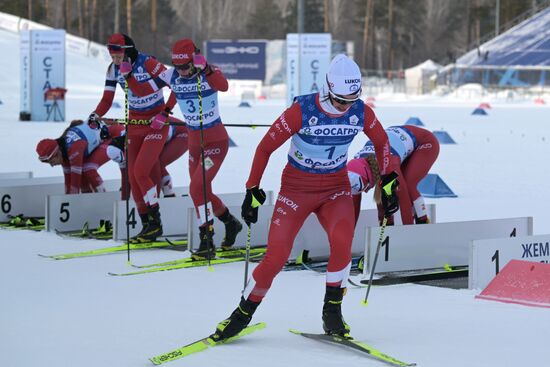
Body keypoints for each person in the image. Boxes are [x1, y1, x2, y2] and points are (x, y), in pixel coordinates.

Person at [209, 54, 399, 342]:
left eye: (350, 101)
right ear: (327, 89)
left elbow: (382, 142)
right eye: (339, 101)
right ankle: (242, 313)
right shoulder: (302, 109)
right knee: (277, 256)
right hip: (297, 189)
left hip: (335, 187)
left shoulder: (361, 112)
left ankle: (332, 312)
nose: (345, 107)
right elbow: (264, 148)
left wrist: (388, 179)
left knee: (342, 241)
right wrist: (252, 189)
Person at [123, 39, 243, 259]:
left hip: (215, 144)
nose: (183, 72)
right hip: (195, 145)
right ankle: (230, 223)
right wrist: (130, 78)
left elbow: (224, 86)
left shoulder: (208, 72)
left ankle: (206, 241)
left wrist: (205, 67)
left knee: (197, 188)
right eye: (178, 67)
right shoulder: (173, 75)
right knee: (201, 192)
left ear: (195, 59)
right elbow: (144, 91)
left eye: (186, 66)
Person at [89, 33, 179, 243]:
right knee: (132, 175)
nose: (115, 60)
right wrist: (96, 114)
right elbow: (106, 99)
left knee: (140, 171)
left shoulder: (148, 63)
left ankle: (156, 222)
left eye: (119, 55)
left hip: (156, 122)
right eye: (112, 55)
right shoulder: (112, 69)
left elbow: (175, 86)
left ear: (128, 51)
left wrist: (165, 112)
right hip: (135, 123)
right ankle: (146, 224)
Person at [348, 125, 439, 225]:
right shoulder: (354, 171)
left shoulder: (390, 164)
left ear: (371, 178)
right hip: (397, 144)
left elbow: (403, 199)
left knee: (408, 184)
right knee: (384, 190)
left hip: (425, 142)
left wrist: (408, 230)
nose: (365, 191)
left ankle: (423, 221)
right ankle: (387, 223)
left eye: (364, 187)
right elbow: (355, 206)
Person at [36, 120, 126, 195]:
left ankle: (103, 199)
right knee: (83, 171)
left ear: (57, 153)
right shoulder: (63, 152)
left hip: (117, 135)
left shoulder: (73, 148)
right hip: (107, 135)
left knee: (88, 168)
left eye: (51, 161)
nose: (51, 165)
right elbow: (68, 182)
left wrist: (72, 205)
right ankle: (92, 202)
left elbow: (75, 183)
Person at [159, 124, 189, 197]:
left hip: (183, 133)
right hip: (170, 134)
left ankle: (168, 193)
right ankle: (167, 192)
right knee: (151, 162)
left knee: (155, 163)